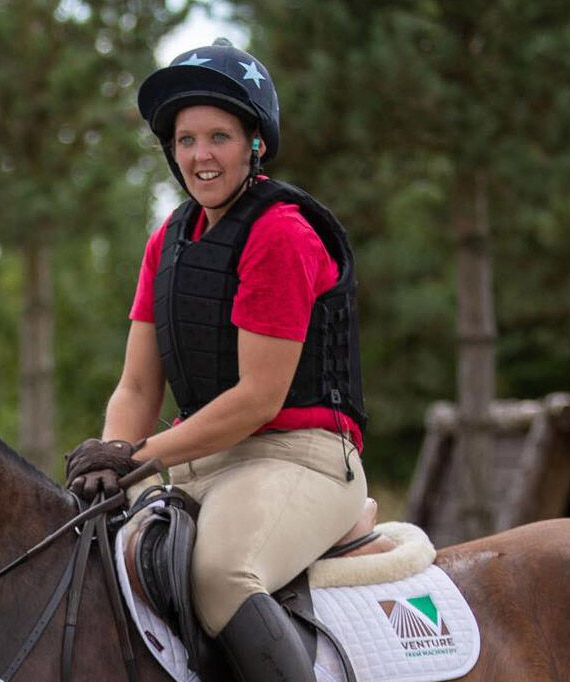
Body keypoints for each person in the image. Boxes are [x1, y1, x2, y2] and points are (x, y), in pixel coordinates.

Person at [65, 39, 369, 682]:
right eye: (186, 140)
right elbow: (139, 384)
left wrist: (136, 455)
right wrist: (109, 459)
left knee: (220, 575)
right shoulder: (165, 241)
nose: (201, 156)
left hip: (302, 457)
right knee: (85, 552)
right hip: (199, 458)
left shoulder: (282, 233)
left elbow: (259, 398)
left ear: (254, 142)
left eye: (219, 137)